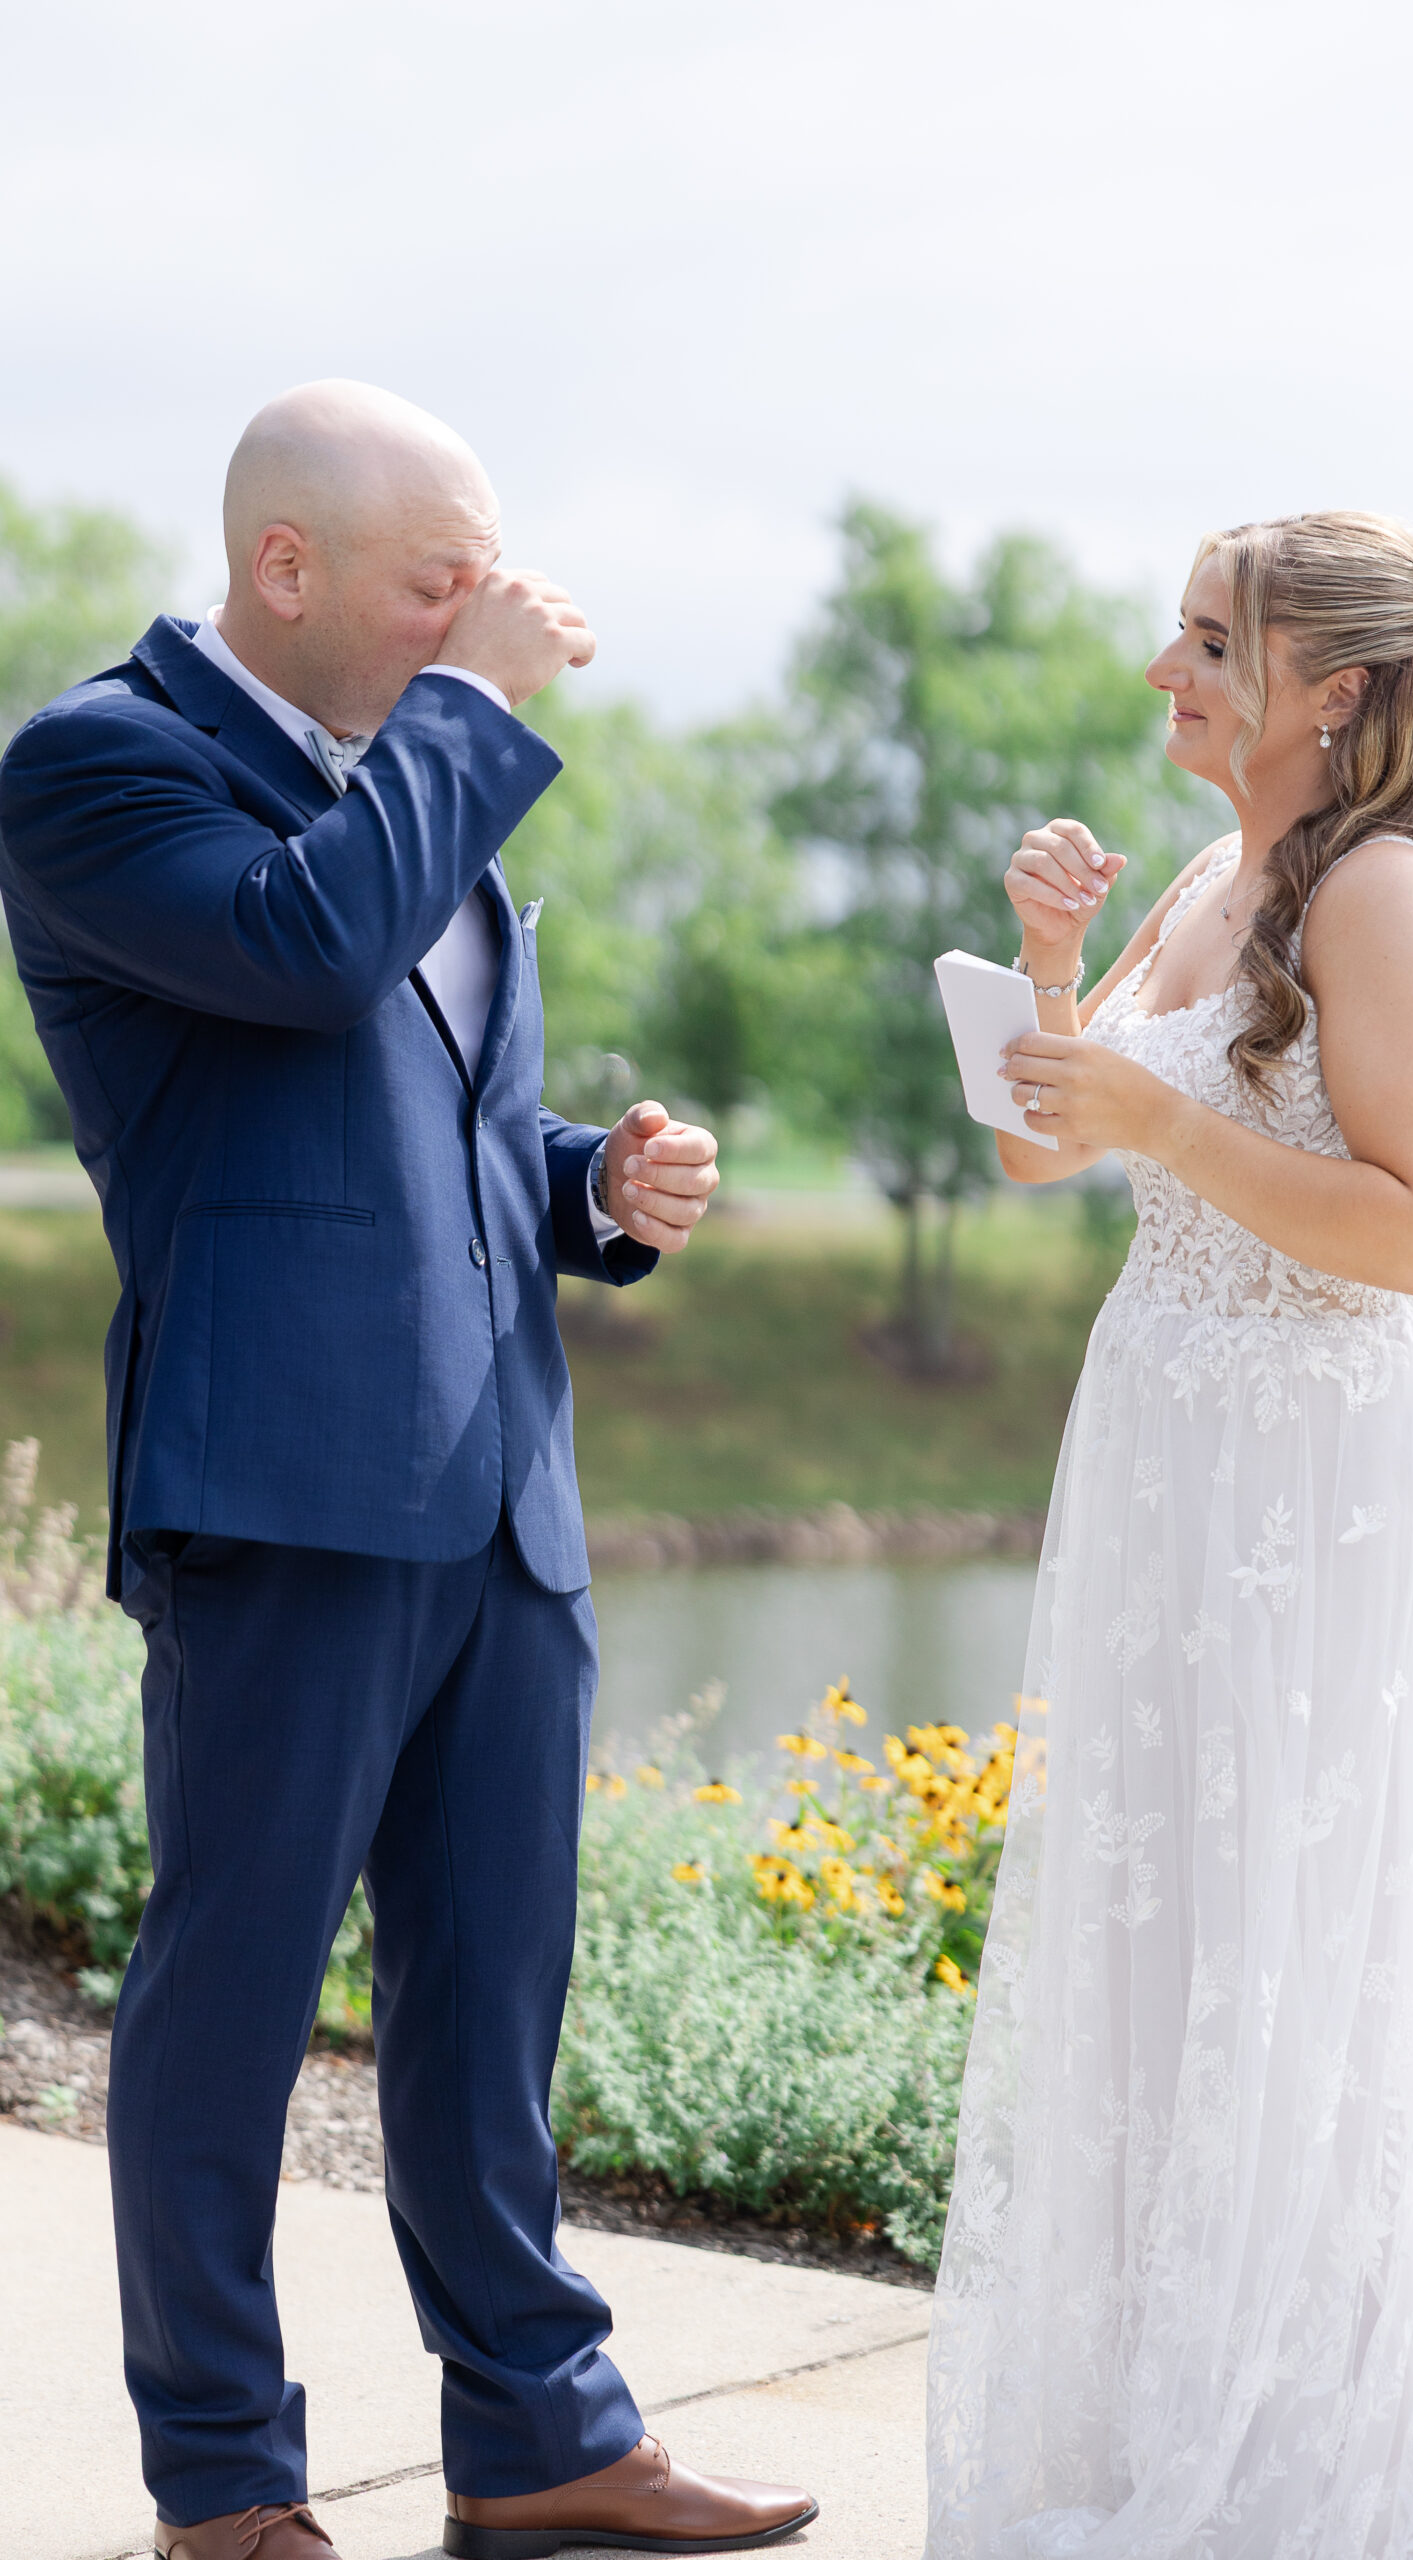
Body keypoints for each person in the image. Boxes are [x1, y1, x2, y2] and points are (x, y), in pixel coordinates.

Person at [0, 381, 816, 2560]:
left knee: (491, 1999)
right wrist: (470, 708)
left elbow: (410, 1131)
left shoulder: (403, 789)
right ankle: (225, 2481)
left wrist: (595, 1184)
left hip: (495, 1492)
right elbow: (296, 956)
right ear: (290, 568)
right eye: (438, 576)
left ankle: (540, 2431)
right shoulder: (95, 768)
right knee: (230, 1991)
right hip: (280, 1487)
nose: (492, 610)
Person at [923, 511, 1413, 2557]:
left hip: (1338, 1501)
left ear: (1335, 685)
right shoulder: (1209, 874)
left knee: (1335, 1957)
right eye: (1176, 629)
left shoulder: (1392, 902)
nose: (1161, 668)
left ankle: (1354, 2456)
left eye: (1208, 639)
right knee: (1183, 1942)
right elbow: (1034, 1140)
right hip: (1177, 1468)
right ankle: (1172, 2400)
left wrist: (1160, 1120)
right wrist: (1033, 963)